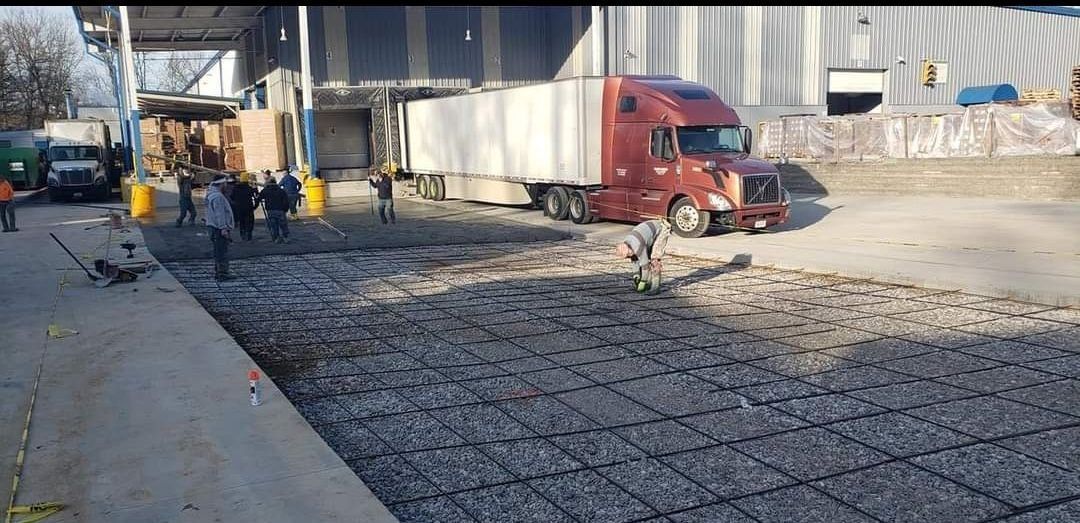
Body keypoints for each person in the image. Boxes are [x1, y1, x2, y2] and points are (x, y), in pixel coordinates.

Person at [614, 219, 671, 294]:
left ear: (629, 251)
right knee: (647, 257)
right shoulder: (627, 244)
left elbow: (645, 266)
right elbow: (634, 260)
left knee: (654, 259)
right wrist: (636, 276)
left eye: (627, 256)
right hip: (649, 233)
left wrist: (642, 281)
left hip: (661, 230)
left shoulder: (638, 246)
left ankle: (655, 287)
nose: (628, 257)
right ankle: (649, 283)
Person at [205, 175, 235, 281]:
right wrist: (223, 228)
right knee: (222, 251)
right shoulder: (218, 197)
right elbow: (220, 214)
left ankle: (219, 271)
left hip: (212, 226)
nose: (226, 185)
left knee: (218, 251)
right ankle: (222, 273)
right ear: (221, 184)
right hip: (218, 228)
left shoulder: (210, 194)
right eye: (225, 183)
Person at [257, 175, 290, 244]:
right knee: (283, 225)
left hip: (270, 210)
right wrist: (285, 209)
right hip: (280, 210)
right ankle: (285, 237)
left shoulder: (265, 190)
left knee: (274, 225)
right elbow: (286, 201)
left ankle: (276, 238)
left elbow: (259, 198)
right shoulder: (281, 190)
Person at [229, 176, 259, 241]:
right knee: (250, 221)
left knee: (242, 221)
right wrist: (255, 206)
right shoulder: (249, 188)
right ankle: (249, 233)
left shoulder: (236, 188)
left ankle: (243, 234)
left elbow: (231, 197)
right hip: (249, 208)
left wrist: (236, 203)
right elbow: (256, 197)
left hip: (239, 208)